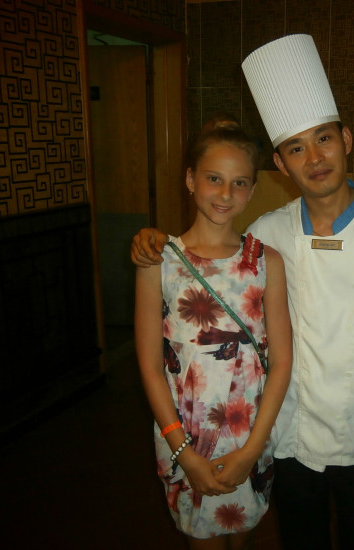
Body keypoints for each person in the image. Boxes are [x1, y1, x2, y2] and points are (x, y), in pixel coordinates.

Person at [132, 35, 354, 550]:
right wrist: (151, 240)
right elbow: (211, 254)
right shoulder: (267, 234)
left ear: (346, 138)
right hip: (291, 434)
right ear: (280, 164)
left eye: (324, 139)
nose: (315, 158)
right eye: (297, 148)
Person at [134, 114, 292, 550]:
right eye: (214, 179)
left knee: (242, 536)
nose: (225, 194)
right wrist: (184, 453)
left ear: (252, 190)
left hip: (250, 436)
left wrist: (250, 452)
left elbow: (281, 362)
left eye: (239, 183)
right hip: (184, 437)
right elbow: (150, 365)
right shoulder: (159, 261)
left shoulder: (267, 262)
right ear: (191, 179)